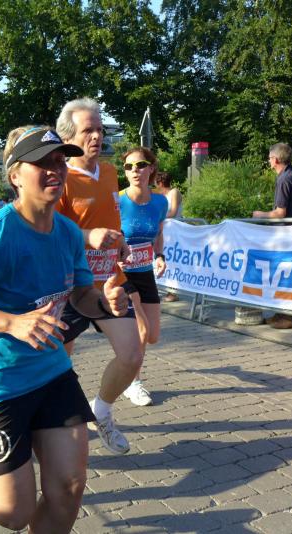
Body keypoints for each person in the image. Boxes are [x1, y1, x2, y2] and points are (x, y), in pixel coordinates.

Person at [0, 126, 131, 533]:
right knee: (13, 513)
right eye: (42, 162)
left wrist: (105, 305)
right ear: (15, 176)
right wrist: (12, 323)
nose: (55, 169)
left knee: (69, 487)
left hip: (52, 373)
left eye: (60, 161)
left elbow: (81, 296)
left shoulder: (68, 232)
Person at [54, 97, 144, 452]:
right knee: (58, 366)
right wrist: (86, 236)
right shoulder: (58, 177)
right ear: (68, 137)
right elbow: (49, 231)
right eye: (88, 130)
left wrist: (119, 242)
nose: (96, 136)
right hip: (69, 286)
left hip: (109, 283)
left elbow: (111, 217)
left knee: (132, 355)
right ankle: (50, 429)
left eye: (100, 129)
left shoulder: (108, 172)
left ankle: (101, 411)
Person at [117, 147, 169, 406]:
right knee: (141, 330)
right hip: (121, 274)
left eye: (140, 165)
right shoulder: (117, 201)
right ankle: (133, 383)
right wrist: (115, 256)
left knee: (153, 335)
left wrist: (159, 256)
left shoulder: (160, 202)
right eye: (129, 167)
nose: (134, 171)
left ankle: (124, 363)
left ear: (151, 168)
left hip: (145, 272)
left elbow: (158, 234)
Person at [253, 142, 292, 329]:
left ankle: (291, 317)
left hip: (288, 234)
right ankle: (282, 313)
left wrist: (260, 214)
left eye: (269, 158)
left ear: (275, 159)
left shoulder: (284, 179)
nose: (268, 161)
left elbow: (280, 213)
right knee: (285, 274)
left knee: (286, 275)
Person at [155, 171, 183, 302]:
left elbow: (173, 212)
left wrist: (157, 217)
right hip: (163, 232)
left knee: (173, 261)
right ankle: (159, 288)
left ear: (160, 182)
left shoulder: (174, 192)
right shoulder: (160, 195)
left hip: (175, 232)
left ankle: (173, 292)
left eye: (156, 183)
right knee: (160, 259)